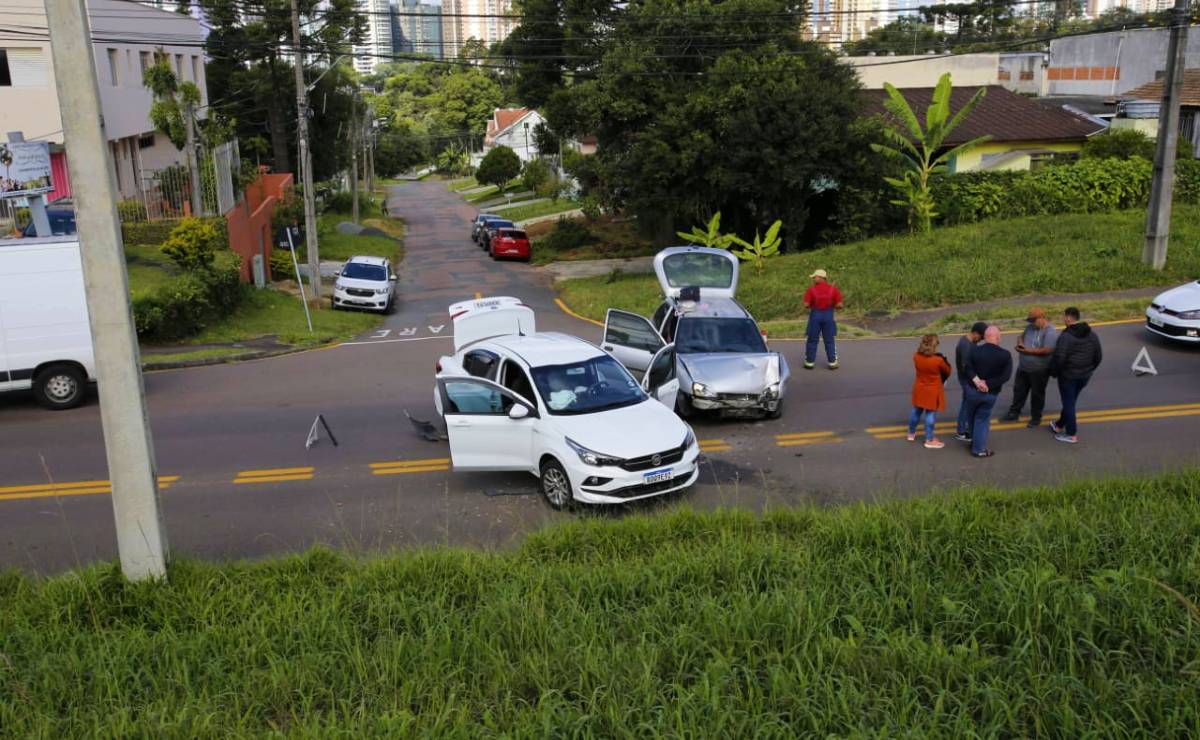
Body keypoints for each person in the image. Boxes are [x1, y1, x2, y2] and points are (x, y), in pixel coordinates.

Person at [1049, 306, 1103, 444]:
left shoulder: (1066, 336)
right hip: (1084, 376)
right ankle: (1059, 424)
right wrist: (1089, 369)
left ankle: (1071, 434)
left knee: (1069, 403)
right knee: (1070, 401)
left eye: (1063, 316)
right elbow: (1098, 356)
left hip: (1068, 376)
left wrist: (1054, 372)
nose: (1063, 319)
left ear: (1068, 318)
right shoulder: (1091, 334)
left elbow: (1059, 358)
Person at [962, 326, 1013, 458]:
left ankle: (974, 441)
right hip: (990, 393)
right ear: (998, 337)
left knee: (971, 416)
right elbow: (1005, 376)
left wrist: (978, 382)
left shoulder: (974, 351)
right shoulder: (1005, 355)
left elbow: (967, 368)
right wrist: (988, 384)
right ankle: (979, 449)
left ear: (985, 337)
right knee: (982, 419)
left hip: (972, 391)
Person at [1002, 308, 1058, 428]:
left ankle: (1036, 417)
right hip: (1023, 367)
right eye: (1031, 320)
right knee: (1019, 391)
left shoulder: (1050, 331)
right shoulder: (1030, 328)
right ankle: (1014, 412)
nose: (1032, 323)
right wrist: (1020, 344)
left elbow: (1047, 350)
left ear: (1042, 318)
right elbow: (1020, 336)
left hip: (1039, 370)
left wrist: (1028, 351)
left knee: (1037, 394)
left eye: (1034, 320)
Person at [907, 334, 952, 449]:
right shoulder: (938, 360)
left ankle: (911, 433)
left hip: (919, 387)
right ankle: (929, 439)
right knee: (930, 415)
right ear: (934, 345)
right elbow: (948, 370)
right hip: (932, 390)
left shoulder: (916, 356)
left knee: (916, 411)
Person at [953, 322, 989, 443]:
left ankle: (964, 426)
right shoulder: (966, 346)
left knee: (967, 403)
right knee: (967, 404)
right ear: (975, 333)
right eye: (981, 337)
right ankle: (961, 431)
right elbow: (965, 367)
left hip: (967, 379)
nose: (981, 340)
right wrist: (976, 380)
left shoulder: (969, 342)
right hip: (967, 379)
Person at [803, 269, 843, 370]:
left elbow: (806, 305)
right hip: (828, 316)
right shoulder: (833, 290)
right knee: (829, 340)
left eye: (814, 277)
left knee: (812, 339)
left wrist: (812, 305)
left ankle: (809, 362)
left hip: (815, 316)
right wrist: (833, 305)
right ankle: (832, 362)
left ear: (821, 278)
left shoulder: (811, 290)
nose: (813, 279)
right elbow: (839, 305)